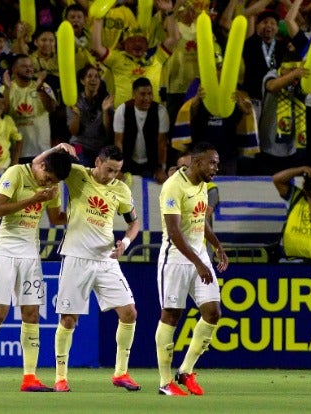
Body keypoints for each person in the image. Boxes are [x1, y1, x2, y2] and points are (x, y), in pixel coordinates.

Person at [0, 144, 74, 392]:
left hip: (30, 252)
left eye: (53, 181)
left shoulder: (52, 185)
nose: (48, 183)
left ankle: (29, 378)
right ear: (42, 166)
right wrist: (33, 199)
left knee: (32, 314)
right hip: (5, 249)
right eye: (47, 178)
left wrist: (83, 214)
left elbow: (55, 219)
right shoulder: (15, 173)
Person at [53, 145, 142, 393]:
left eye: (117, 171)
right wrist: (60, 146)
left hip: (106, 259)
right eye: (109, 169)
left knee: (129, 313)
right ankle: (61, 378)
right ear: (97, 162)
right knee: (69, 319)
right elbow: (46, 164)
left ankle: (121, 373)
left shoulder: (121, 190)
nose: (112, 175)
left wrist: (125, 242)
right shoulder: (77, 174)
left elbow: (134, 223)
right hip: (75, 256)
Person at [155, 142, 228, 396]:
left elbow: (200, 221)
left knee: (213, 312)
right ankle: (165, 383)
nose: (216, 168)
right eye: (212, 163)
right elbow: (174, 232)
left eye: (217, 163)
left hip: (199, 257)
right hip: (175, 259)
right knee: (171, 316)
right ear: (196, 162)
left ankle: (185, 371)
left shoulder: (203, 185)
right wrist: (197, 262)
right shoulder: (173, 186)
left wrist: (216, 246)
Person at [1, 54, 57, 163]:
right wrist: (7, 89)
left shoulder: (43, 86)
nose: (29, 69)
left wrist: (40, 89)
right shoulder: (5, 89)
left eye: (31, 66)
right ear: (14, 69)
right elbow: (3, 113)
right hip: (15, 152)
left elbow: (52, 108)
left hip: (41, 151)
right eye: (24, 66)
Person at [113, 77, 169, 182]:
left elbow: (162, 143)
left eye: (150, 94)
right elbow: (118, 142)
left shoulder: (161, 112)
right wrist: (118, 168)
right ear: (134, 95)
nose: (147, 98)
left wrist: (161, 168)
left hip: (151, 163)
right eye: (143, 94)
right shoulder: (122, 110)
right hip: (128, 162)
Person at [68, 64, 114, 167]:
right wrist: (76, 116)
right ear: (82, 81)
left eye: (97, 77)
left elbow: (108, 131)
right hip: (79, 145)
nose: (93, 79)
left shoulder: (106, 100)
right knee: (79, 162)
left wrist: (105, 111)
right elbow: (73, 132)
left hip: (99, 148)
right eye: (89, 76)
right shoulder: (74, 101)